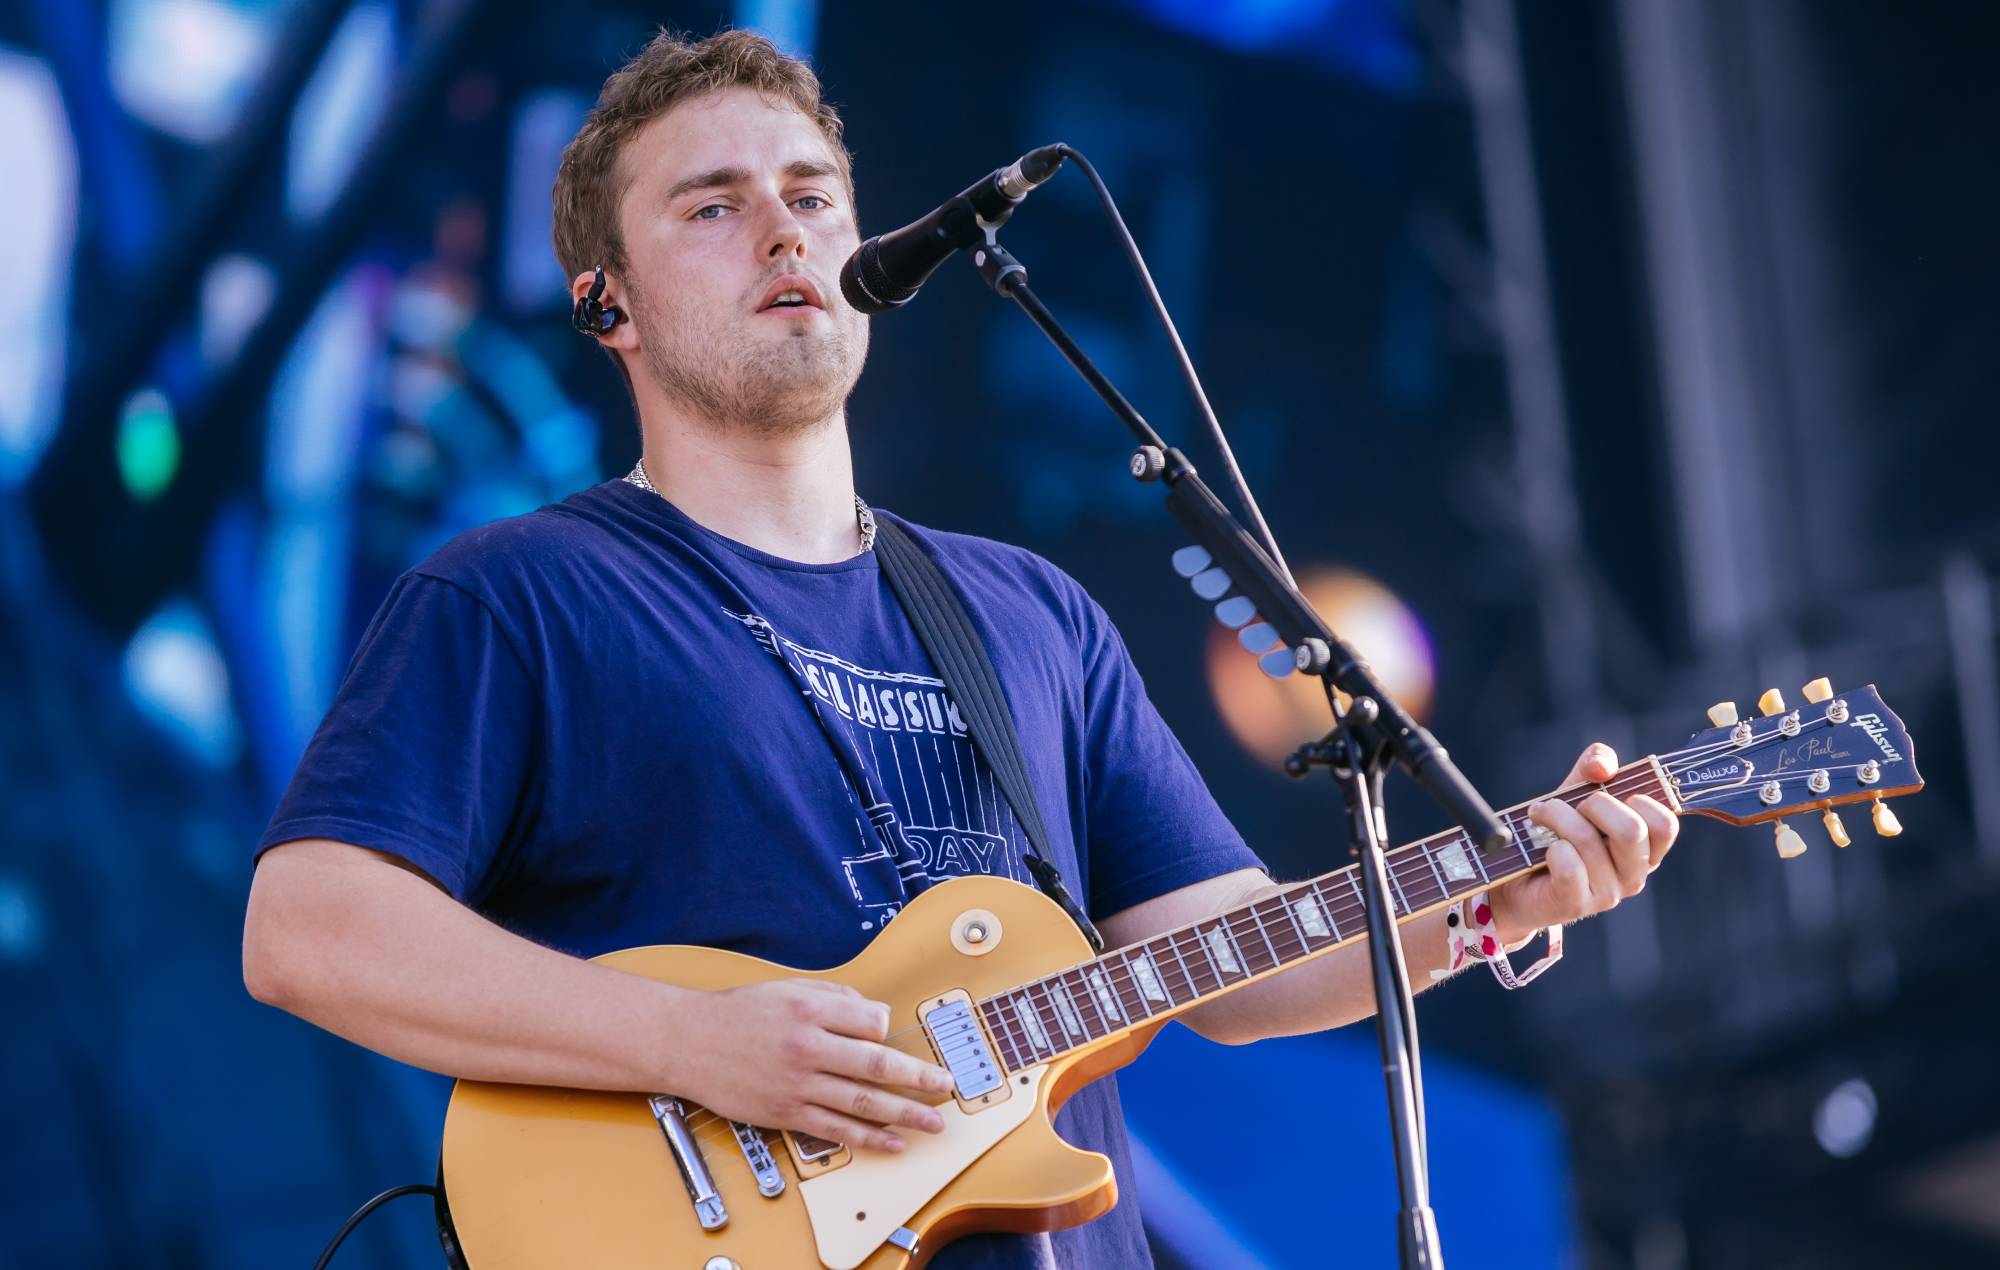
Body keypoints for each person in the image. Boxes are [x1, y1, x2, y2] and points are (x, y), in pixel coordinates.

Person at [241, 28, 1677, 1269]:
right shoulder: (522, 595)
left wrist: (1499, 889)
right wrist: (693, 1043)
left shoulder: (1026, 611)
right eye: (714, 208)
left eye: (811, 196)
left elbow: (1232, 968)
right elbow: (307, 927)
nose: (785, 232)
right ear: (603, 302)